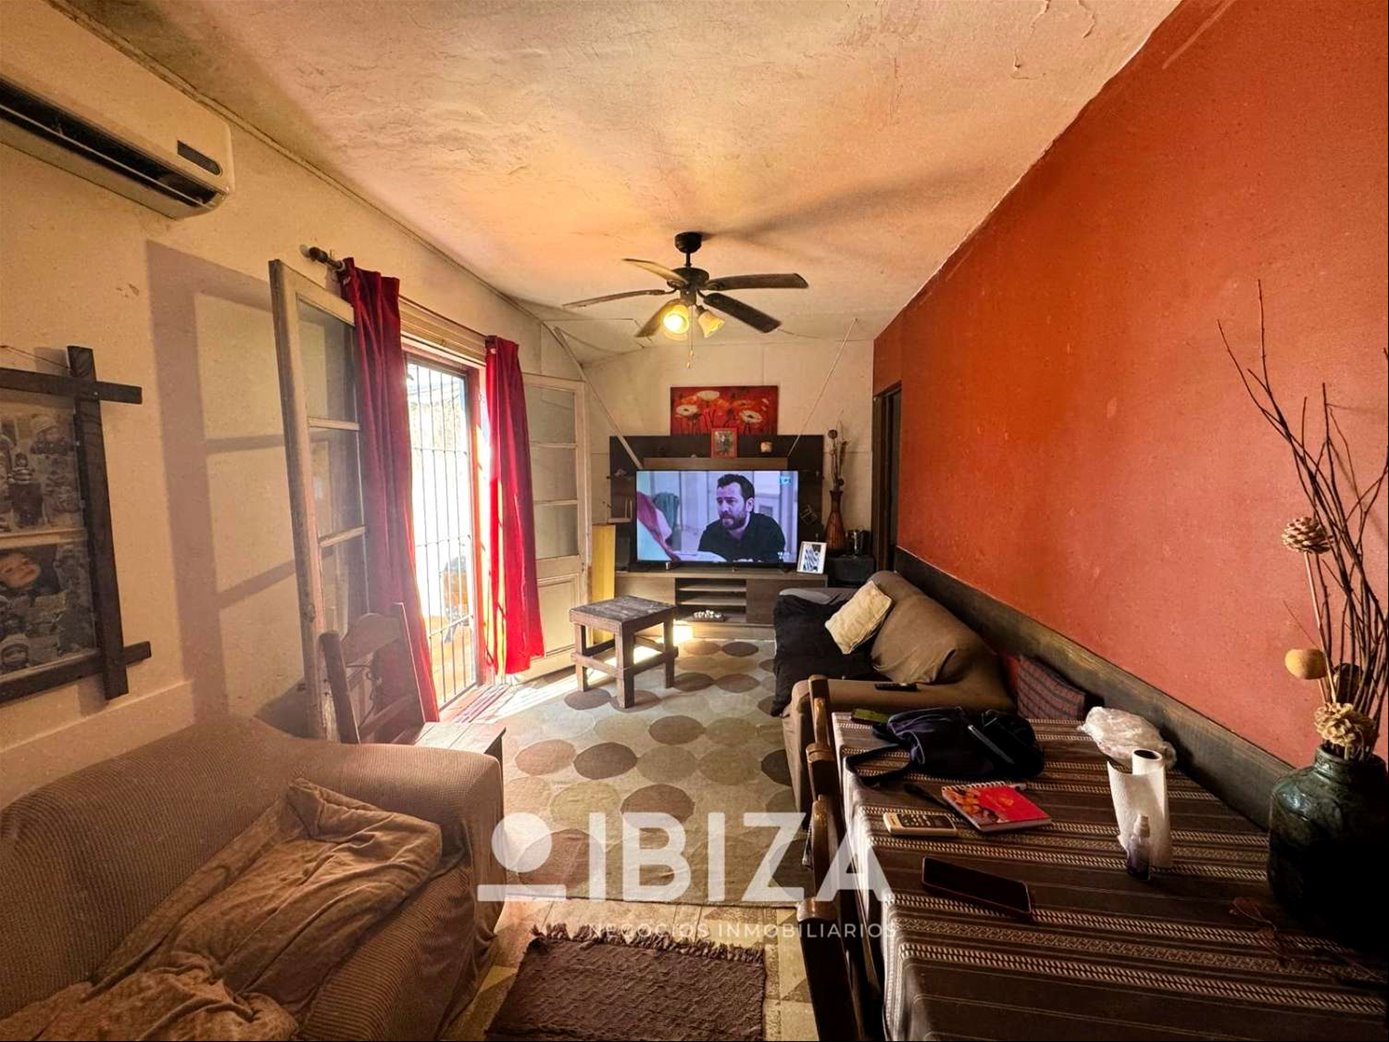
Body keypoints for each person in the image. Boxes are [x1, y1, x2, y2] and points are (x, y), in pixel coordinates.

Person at [697, 474, 786, 563]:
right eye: (720, 501)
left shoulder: (769, 530)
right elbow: (702, 568)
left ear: (749, 504)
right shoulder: (710, 533)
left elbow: (776, 567)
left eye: (731, 501)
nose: (723, 508)